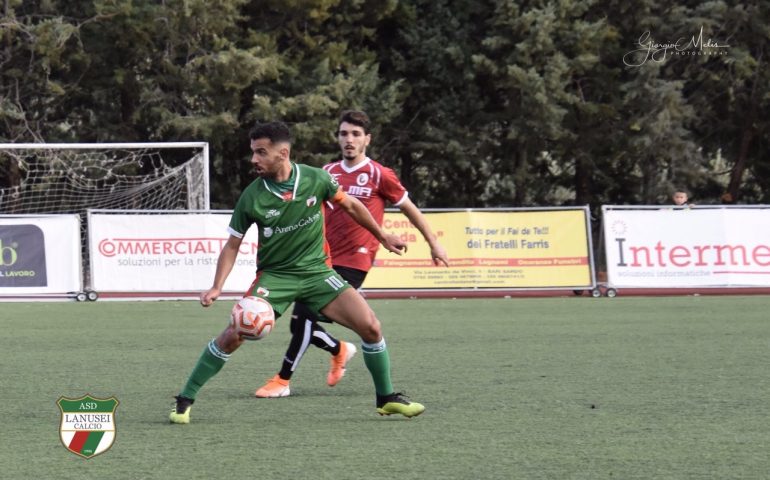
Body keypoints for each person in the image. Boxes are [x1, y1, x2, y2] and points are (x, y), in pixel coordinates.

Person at [169, 121, 425, 423]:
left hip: (318, 273)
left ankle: (386, 399)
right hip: (275, 278)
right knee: (234, 334)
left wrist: (382, 235)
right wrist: (216, 287)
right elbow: (232, 246)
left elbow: (352, 206)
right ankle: (185, 399)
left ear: (283, 153)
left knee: (371, 327)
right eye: (253, 152)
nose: (254, 159)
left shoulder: (316, 179)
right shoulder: (252, 196)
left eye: (261, 152)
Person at [255, 110, 450, 398]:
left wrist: (434, 242)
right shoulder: (327, 172)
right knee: (301, 321)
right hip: (320, 260)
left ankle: (283, 380)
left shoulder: (379, 174)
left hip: (355, 260)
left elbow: (409, 208)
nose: (349, 139)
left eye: (356, 134)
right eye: (344, 133)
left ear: (367, 140)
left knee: (304, 318)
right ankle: (339, 349)